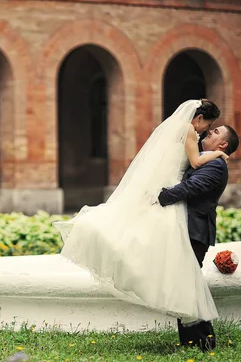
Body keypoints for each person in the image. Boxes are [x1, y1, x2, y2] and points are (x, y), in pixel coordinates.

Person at [53, 99, 226, 329]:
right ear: (200, 118)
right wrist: (218, 155)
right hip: (170, 193)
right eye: (209, 125)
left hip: (167, 189)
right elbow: (195, 162)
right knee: (172, 258)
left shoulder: (175, 128)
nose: (206, 130)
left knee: (159, 251)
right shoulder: (189, 130)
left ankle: (186, 322)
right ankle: (193, 327)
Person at [158, 124, 240, 351]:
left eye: (215, 133)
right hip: (187, 229)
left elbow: (191, 188)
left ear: (223, 145)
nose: (209, 132)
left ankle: (205, 340)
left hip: (196, 231)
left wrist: (160, 196)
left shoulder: (216, 165)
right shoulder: (205, 158)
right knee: (182, 284)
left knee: (189, 283)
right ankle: (191, 340)